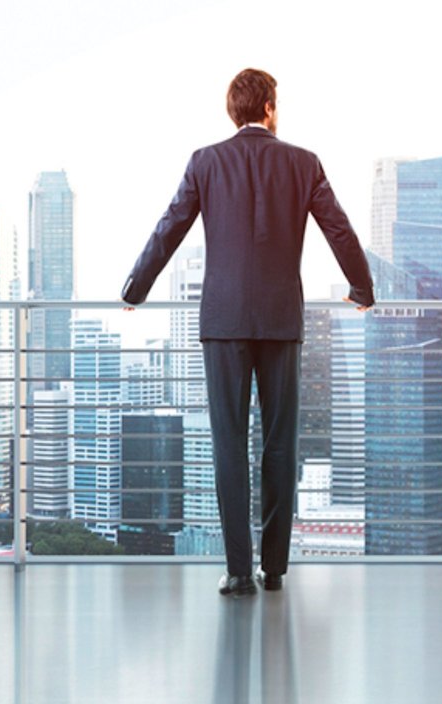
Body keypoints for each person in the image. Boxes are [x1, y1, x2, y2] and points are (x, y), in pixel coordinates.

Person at [121, 68, 374, 596]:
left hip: (224, 321)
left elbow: (170, 227)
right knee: (280, 444)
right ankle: (274, 568)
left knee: (229, 443)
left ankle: (239, 571)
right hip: (281, 320)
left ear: (233, 111)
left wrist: (135, 288)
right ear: (270, 108)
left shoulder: (205, 162)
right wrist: (362, 288)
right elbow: (339, 227)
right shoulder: (304, 162)